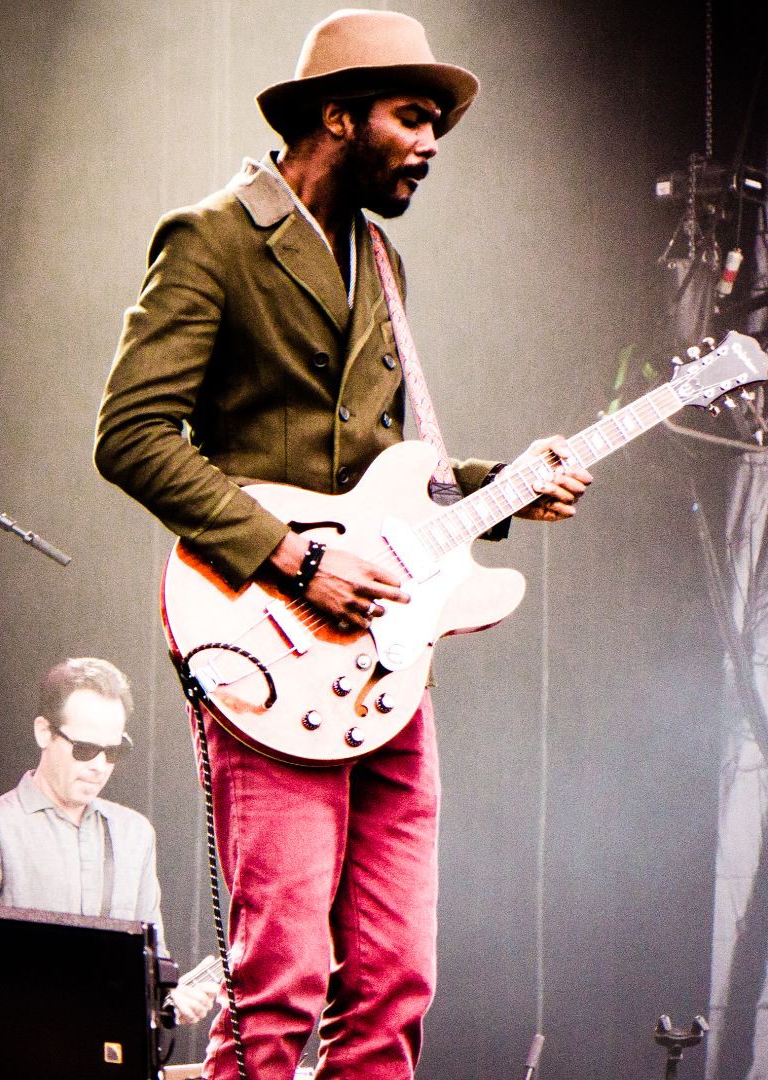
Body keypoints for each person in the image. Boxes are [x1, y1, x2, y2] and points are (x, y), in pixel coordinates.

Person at [93, 8, 589, 1077]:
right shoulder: (213, 237)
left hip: (382, 661)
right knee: (277, 987)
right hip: (268, 642)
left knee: (396, 980)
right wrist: (293, 557)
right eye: (413, 117)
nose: (432, 143)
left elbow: (386, 482)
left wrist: (505, 484)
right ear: (338, 115)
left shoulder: (384, 262)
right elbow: (130, 436)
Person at [0, 657, 214, 1026]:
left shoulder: (134, 834)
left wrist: (173, 999)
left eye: (113, 752)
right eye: (84, 749)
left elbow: (152, 966)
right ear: (44, 733)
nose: (99, 765)